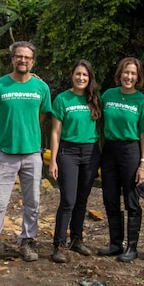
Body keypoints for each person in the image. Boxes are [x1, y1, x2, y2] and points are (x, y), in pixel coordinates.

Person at [0, 41, 51, 263]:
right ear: (12, 59)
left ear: (33, 62)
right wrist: (1, 133)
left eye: (27, 57)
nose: (23, 60)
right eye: (19, 56)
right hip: (5, 153)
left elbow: (42, 116)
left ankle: (27, 241)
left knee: (33, 202)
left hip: (32, 153)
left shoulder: (41, 88)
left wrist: (28, 132)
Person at [98, 57, 144, 263]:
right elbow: (96, 117)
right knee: (110, 197)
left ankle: (132, 247)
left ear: (138, 77)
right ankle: (115, 244)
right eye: (126, 72)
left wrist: (143, 164)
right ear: (120, 74)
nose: (129, 77)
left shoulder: (142, 102)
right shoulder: (108, 95)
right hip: (109, 149)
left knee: (131, 198)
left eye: (133, 74)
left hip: (131, 150)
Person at [48, 60, 102, 263]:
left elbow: (101, 129)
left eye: (85, 75)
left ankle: (76, 239)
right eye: (78, 74)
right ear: (72, 75)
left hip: (90, 152)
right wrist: (53, 161)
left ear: (90, 78)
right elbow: (55, 132)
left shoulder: (94, 99)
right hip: (68, 151)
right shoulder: (62, 99)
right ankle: (59, 244)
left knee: (82, 199)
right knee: (68, 200)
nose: (81, 78)